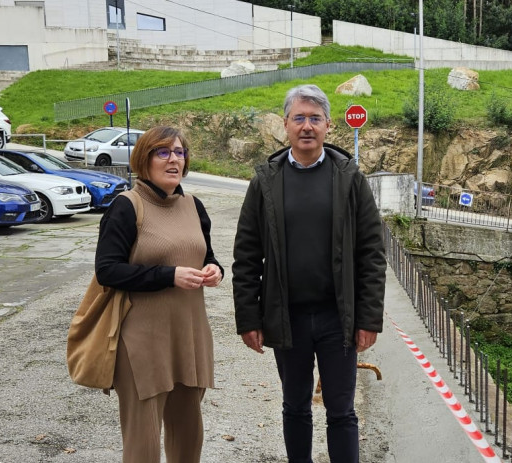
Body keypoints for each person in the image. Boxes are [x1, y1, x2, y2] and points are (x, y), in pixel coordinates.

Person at [232, 84, 387, 463]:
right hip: (289, 318)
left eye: (314, 118)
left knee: (342, 411)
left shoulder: (349, 178)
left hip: (339, 318)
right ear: (284, 124)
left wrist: (369, 318)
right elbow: (246, 256)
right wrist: (248, 318)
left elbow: (372, 253)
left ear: (328, 126)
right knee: (295, 407)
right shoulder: (265, 182)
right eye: (298, 117)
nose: (306, 126)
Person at [94, 125, 224, 463]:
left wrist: (215, 269)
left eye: (179, 152)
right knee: (143, 444)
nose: (173, 160)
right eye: (163, 152)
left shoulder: (194, 206)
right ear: (144, 159)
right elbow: (107, 270)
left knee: (188, 437)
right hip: (141, 342)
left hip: (189, 336)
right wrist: (169, 276)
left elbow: (205, 254)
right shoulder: (126, 206)